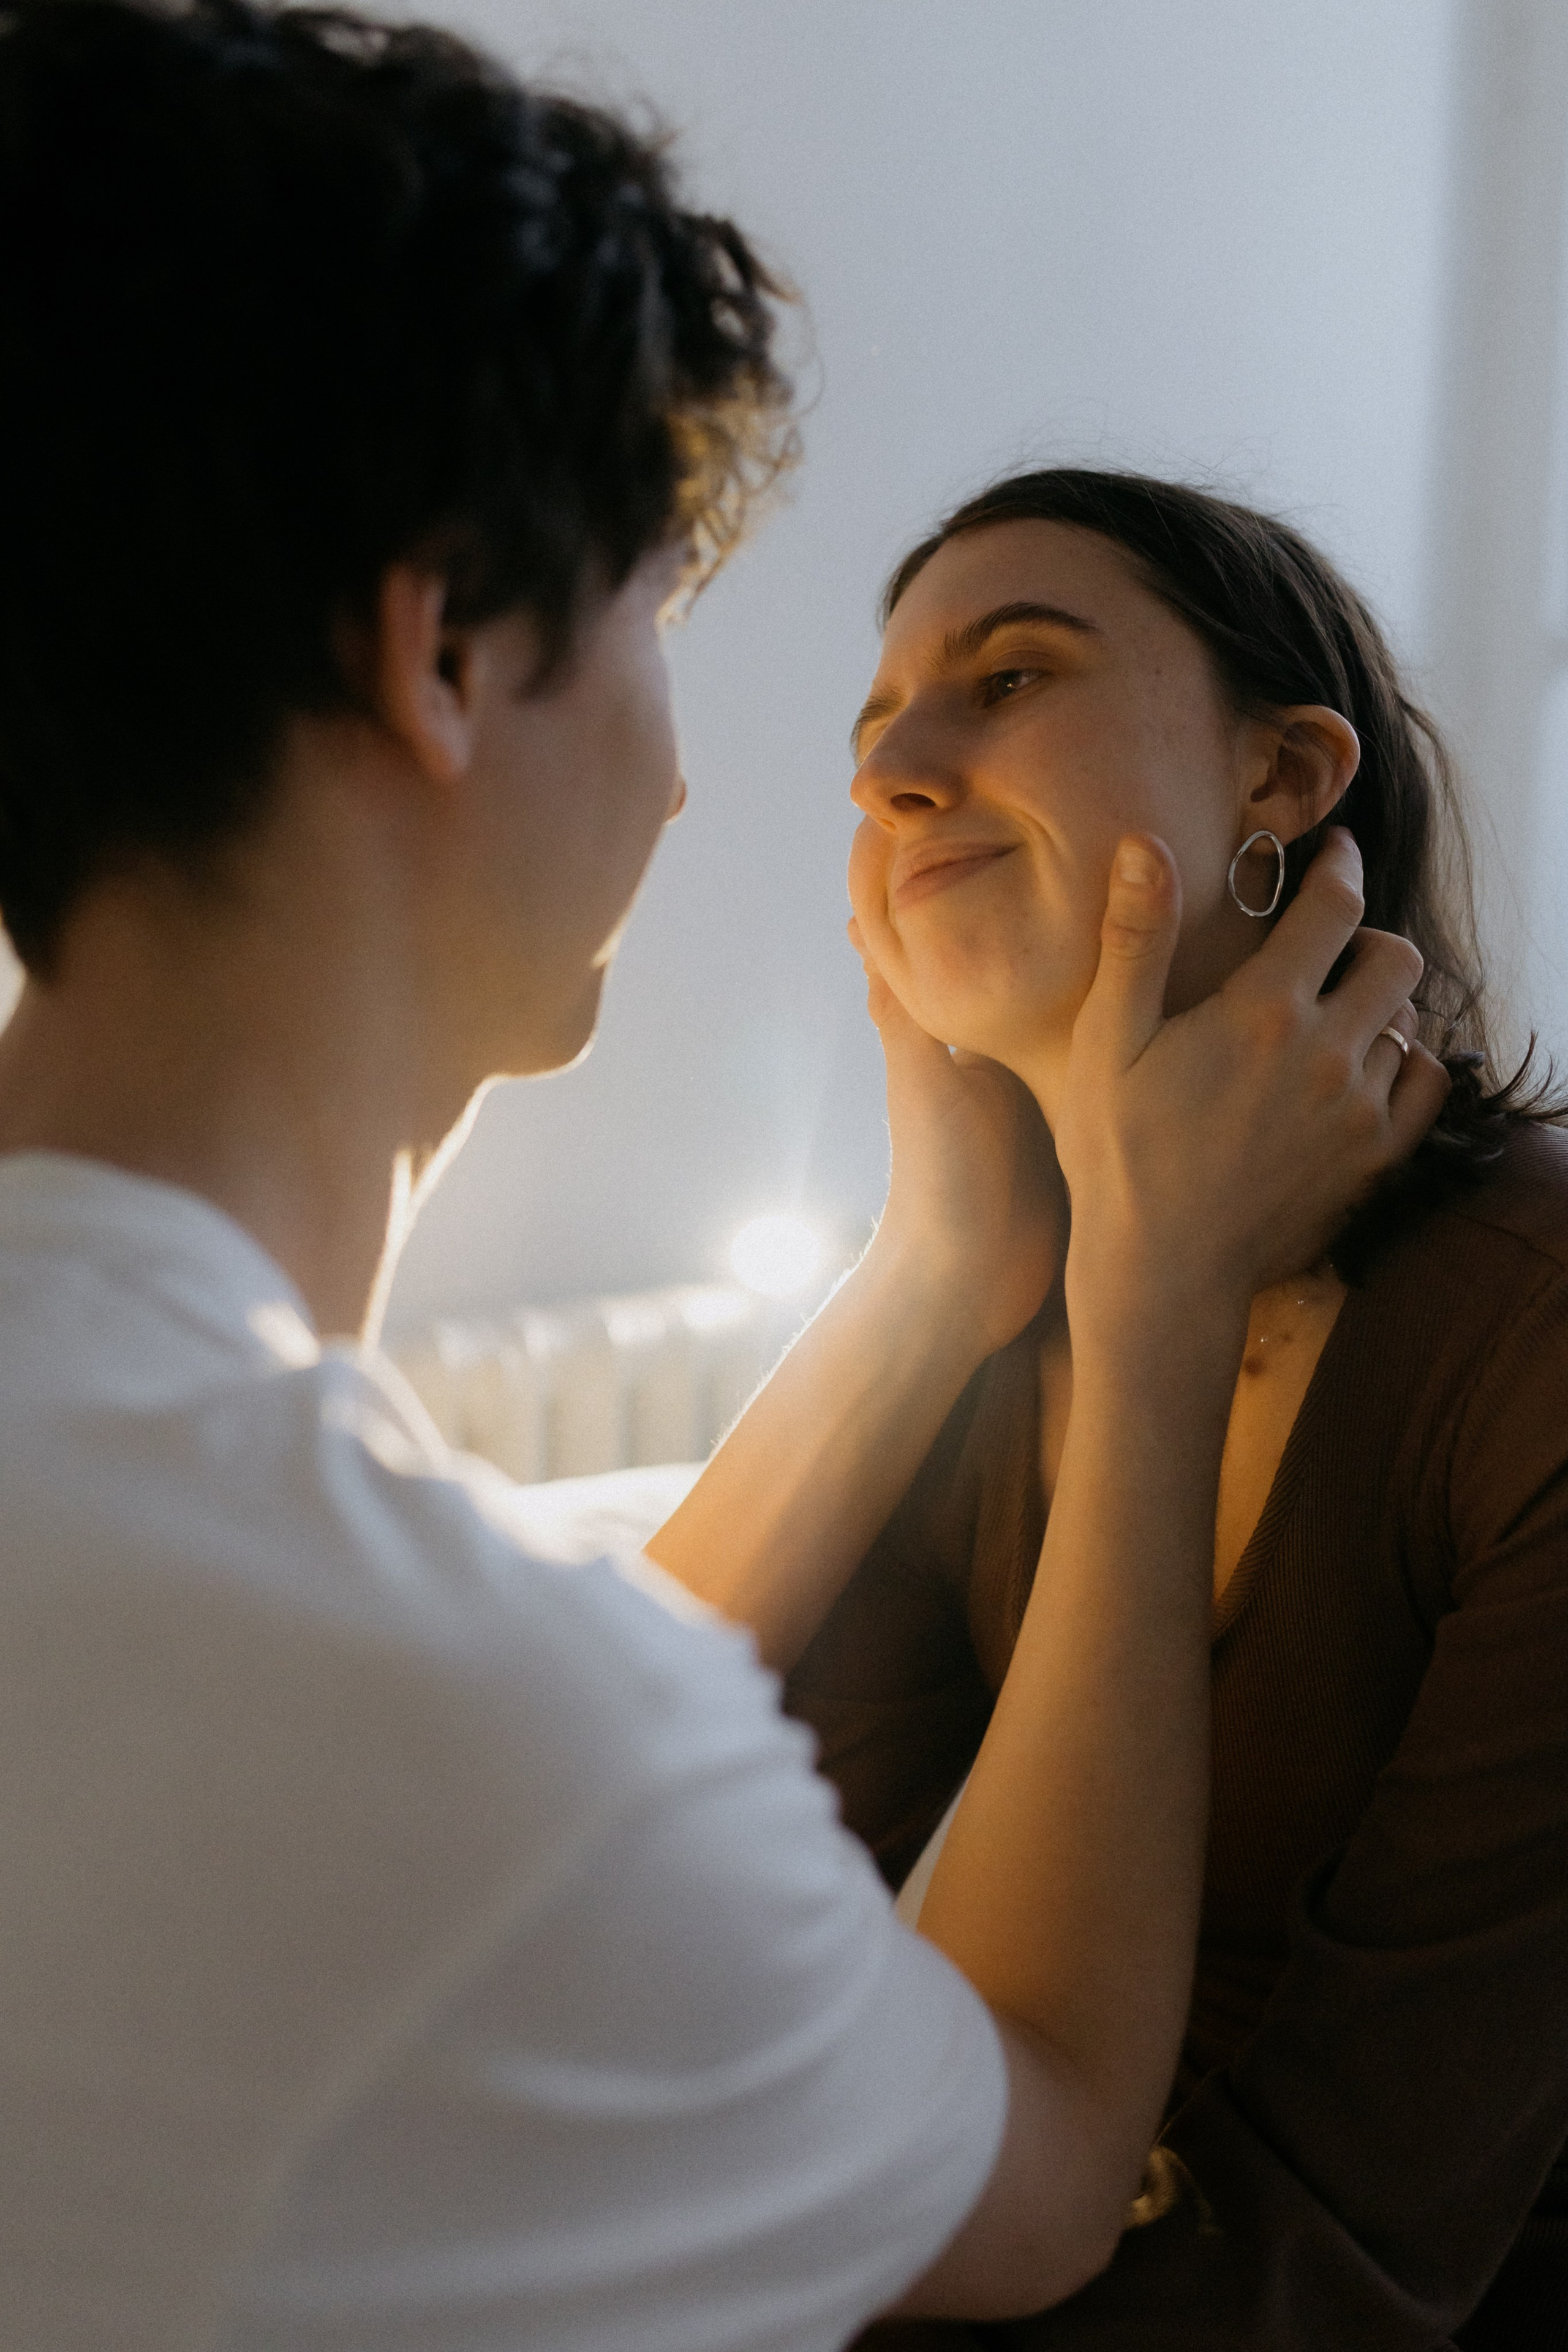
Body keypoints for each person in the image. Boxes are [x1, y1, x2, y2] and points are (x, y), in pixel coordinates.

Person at [0, 9, 1440, 2347]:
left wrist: (929, 1275)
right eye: (663, 618)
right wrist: (1156, 1314)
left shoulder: (335, 1651)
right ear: (450, 651)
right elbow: (1053, 2137)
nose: (735, 793)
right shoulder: (465, 1718)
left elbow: (465, 1809)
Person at [756, 469, 1568, 2351]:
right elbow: (749, 1974)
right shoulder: (975, 1315)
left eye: (1011, 677)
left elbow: (1359, 2240)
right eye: (874, 734)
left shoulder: (1524, 1352)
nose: (894, 775)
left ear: (1284, 782)